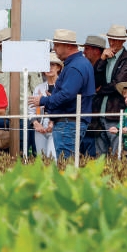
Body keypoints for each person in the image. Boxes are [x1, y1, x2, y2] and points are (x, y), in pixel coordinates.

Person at [29, 29, 95, 160]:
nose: (54, 49)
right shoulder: (80, 64)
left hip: (68, 121)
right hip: (71, 120)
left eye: (57, 45)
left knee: (65, 164)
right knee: (67, 161)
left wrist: (44, 101)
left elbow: (67, 95)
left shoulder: (74, 67)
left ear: (68, 46)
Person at [94, 25, 127, 157]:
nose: (112, 42)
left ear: (123, 41)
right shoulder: (106, 57)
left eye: (116, 40)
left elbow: (118, 85)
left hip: (116, 113)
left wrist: (99, 90)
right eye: (110, 39)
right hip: (101, 112)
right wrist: (101, 60)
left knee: (117, 154)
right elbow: (95, 79)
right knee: (100, 155)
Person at [30, 53, 62, 159]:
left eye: (53, 64)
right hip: (40, 128)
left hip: (57, 127)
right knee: (41, 160)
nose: (49, 67)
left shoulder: (63, 87)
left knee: (52, 158)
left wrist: (54, 122)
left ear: (58, 67)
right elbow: (31, 110)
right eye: (47, 65)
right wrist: (35, 123)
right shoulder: (38, 88)